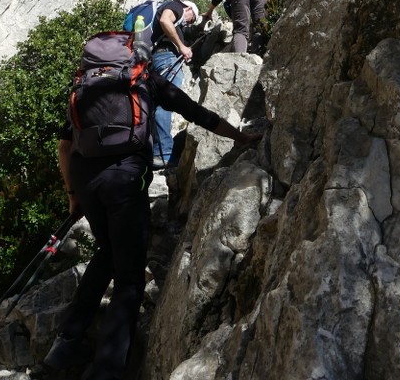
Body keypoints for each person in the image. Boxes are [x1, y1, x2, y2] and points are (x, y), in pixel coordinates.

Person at [43, 69, 260, 380]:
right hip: (124, 180)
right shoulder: (146, 78)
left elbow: (65, 147)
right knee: (130, 276)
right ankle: (108, 369)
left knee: (108, 251)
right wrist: (241, 137)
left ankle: (66, 343)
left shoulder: (90, 88)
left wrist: (72, 196)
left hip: (84, 177)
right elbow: (197, 114)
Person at [149, 0, 199, 168]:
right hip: (167, 57)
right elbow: (165, 20)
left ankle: (157, 151)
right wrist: (181, 46)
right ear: (189, 8)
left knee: (155, 105)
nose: (188, 22)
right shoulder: (176, 6)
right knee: (166, 103)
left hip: (155, 59)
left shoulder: (171, 11)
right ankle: (164, 154)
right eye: (192, 18)